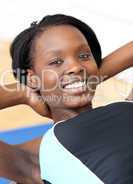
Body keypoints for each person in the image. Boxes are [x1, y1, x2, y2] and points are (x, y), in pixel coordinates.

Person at [0, 14, 133, 183]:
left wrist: (92, 75)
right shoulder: (38, 159)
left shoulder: (126, 106)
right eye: (56, 61)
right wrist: (23, 92)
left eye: (84, 56)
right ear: (32, 78)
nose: (76, 66)